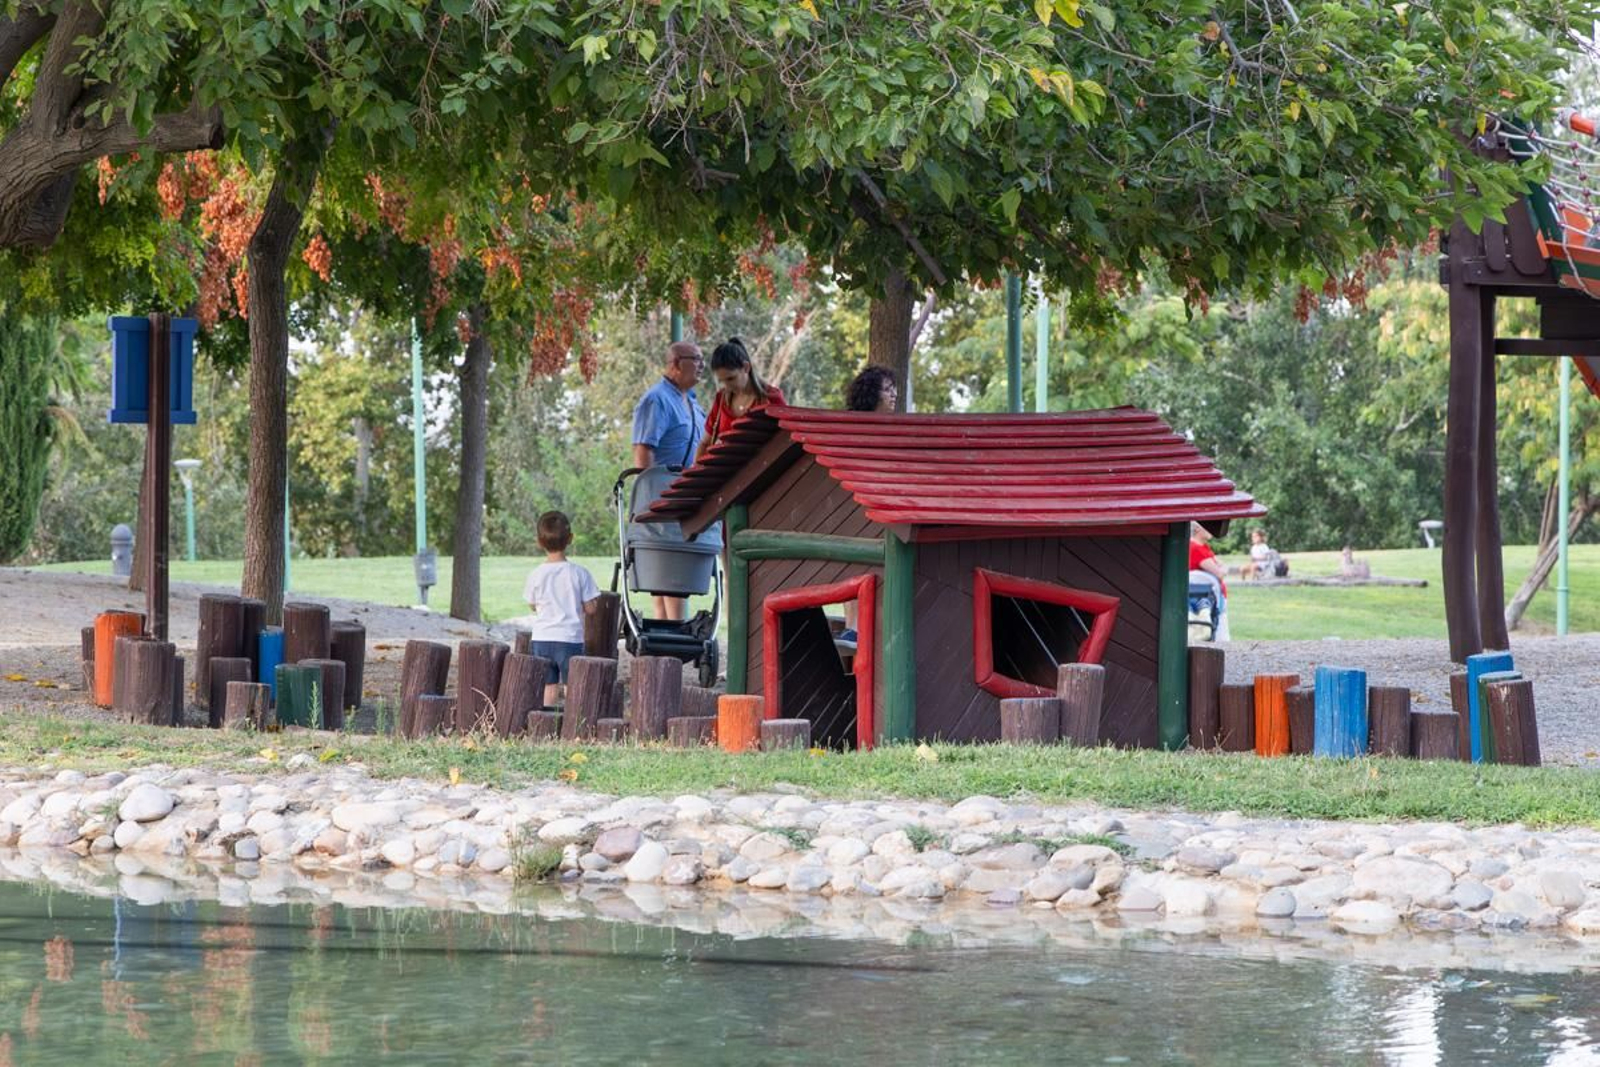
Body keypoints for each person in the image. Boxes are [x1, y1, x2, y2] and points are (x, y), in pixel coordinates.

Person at [631, 340, 705, 620]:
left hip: (688, 496)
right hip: (664, 496)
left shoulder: (692, 401)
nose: (701, 365)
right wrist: (650, 500)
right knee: (671, 568)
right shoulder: (657, 399)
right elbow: (643, 451)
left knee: (675, 569)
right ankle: (673, 632)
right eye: (695, 359)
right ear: (676, 363)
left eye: (701, 359)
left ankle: (668, 635)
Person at [522, 510, 601, 708]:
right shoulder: (579, 573)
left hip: (542, 638)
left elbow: (532, 604)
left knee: (548, 685)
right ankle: (571, 720)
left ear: (539, 542)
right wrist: (591, 603)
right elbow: (591, 609)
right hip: (569, 639)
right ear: (571, 539)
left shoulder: (536, 574)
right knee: (571, 684)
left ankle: (546, 721)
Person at [698, 337, 785, 457]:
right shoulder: (721, 398)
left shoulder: (771, 399)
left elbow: (782, 444)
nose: (727, 386)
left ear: (746, 367)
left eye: (731, 378)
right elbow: (704, 443)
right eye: (722, 381)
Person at [1188, 522, 1230, 642]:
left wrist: (1222, 567)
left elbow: (1220, 564)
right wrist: (1222, 569)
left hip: (1213, 594)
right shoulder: (1195, 548)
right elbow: (1220, 572)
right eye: (1207, 527)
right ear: (1197, 529)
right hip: (1206, 597)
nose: (1211, 530)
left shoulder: (1203, 546)